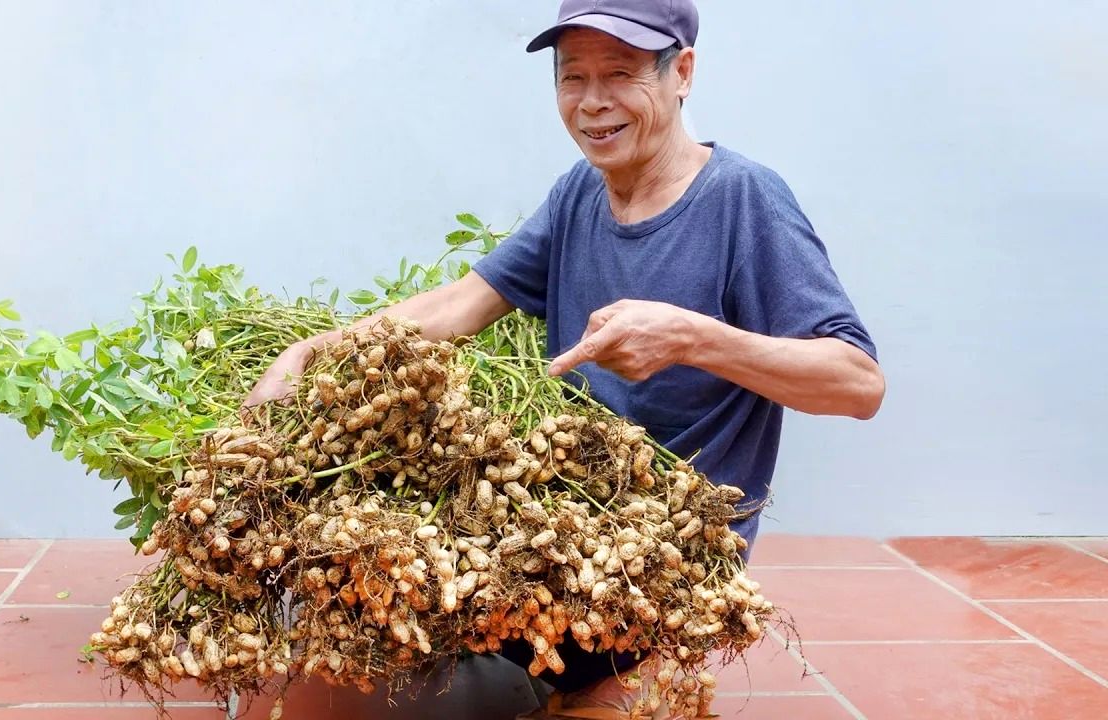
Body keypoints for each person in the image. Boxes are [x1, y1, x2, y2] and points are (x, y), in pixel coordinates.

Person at [242, 1, 885, 716]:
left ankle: (633, 671)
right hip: (554, 523)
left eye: (620, 73)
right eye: (572, 77)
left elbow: (857, 384)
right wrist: (309, 354)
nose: (593, 101)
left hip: (661, 558)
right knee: (338, 617)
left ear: (684, 74)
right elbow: (460, 305)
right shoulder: (580, 194)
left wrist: (693, 338)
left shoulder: (743, 199)